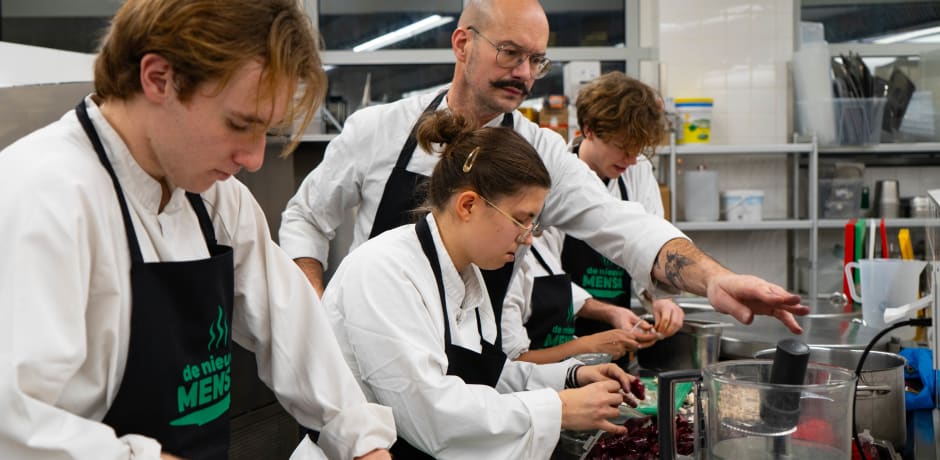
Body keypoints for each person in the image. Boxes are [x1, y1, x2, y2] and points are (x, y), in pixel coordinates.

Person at [0, 0, 394, 459]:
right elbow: (16, 427)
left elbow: (299, 338)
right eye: (239, 124)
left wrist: (364, 445)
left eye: (264, 131)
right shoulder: (40, 198)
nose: (253, 159)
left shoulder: (218, 202)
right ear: (158, 78)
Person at [280, 0, 809, 334]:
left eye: (537, 60)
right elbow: (306, 218)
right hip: (369, 366)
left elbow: (622, 224)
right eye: (511, 54)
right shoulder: (379, 129)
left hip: (474, 375)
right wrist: (320, 314)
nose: (525, 74)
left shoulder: (541, 151)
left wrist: (713, 279)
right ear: (462, 43)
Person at [322, 110, 645, 459]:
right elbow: (430, 416)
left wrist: (570, 377)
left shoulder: (468, 275)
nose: (528, 239)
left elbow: (486, 378)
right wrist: (559, 407)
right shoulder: (384, 271)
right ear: (468, 205)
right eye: (522, 220)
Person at [502, 72, 688, 365]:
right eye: (622, 148)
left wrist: (659, 297)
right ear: (588, 129)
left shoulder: (637, 171)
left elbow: (649, 240)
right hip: (558, 339)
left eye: (637, 151)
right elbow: (543, 272)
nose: (630, 160)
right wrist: (607, 312)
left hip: (619, 332)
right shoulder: (552, 178)